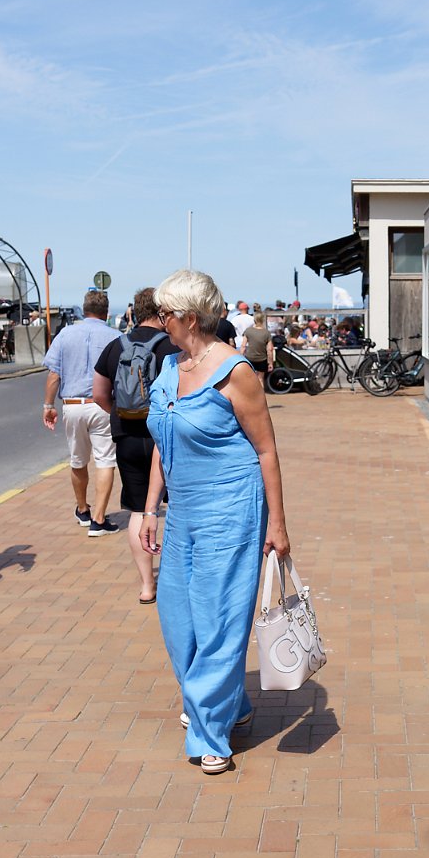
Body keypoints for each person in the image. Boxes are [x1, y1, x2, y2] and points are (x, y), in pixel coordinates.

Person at [139, 269, 291, 776]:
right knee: (177, 617)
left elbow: (266, 450)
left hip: (231, 507)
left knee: (219, 620)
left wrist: (277, 524)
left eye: (165, 313)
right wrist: (150, 509)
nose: (159, 320)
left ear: (189, 317)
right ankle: (229, 702)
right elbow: (162, 442)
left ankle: (210, 732)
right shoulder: (169, 366)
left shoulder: (235, 372)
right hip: (183, 509)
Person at [93, 287, 180, 601]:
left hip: (126, 435)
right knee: (175, 506)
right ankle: (175, 576)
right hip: (164, 436)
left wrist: (120, 413)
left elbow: (99, 394)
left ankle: (146, 585)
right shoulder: (172, 346)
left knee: (139, 509)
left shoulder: (115, 346)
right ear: (161, 313)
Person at [42, 290, 122, 537]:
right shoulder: (117, 337)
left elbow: (54, 374)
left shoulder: (65, 334)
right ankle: (99, 519)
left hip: (73, 404)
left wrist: (48, 405)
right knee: (105, 460)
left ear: (84, 309)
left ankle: (83, 510)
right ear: (106, 312)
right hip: (103, 405)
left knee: (78, 460)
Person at [242, 311, 273, 377]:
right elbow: (269, 349)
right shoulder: (267, 333)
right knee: (260, 378)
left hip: (249, 358)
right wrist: (270, 363)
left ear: (254, 320)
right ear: (263, 320)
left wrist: (241, 358)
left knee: (250, 378)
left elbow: (243, 346)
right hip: (262, 359)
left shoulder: (248, 331)